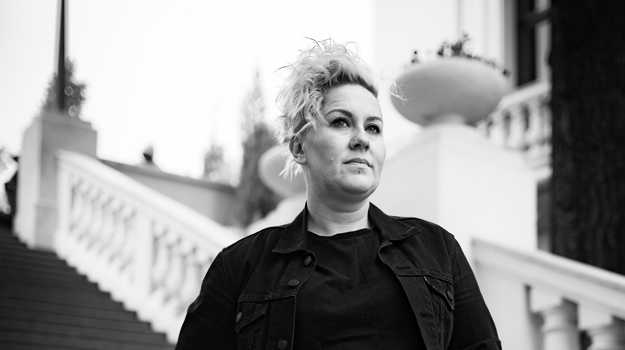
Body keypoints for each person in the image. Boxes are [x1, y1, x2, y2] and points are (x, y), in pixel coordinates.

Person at [175, 40, 500, 350]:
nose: (362, 139)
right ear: (300, 147)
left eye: (373, 128)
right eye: (341, 122)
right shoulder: (239, 267)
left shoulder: (439, 251)